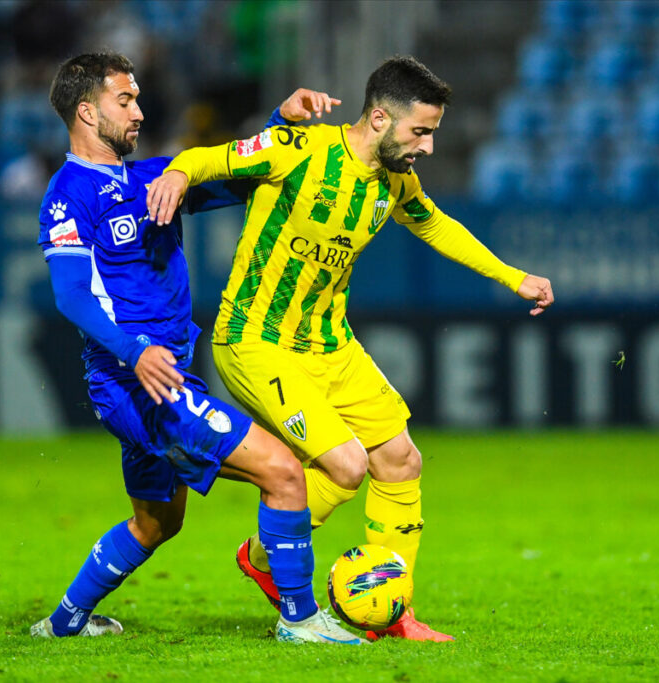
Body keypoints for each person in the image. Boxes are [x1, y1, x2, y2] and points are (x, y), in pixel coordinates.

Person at [147, 55, 555, 642]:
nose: (429, 147)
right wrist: (177, 176)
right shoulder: (298, 150)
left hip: (331, 344)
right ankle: (265, 557)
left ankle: (392, 610)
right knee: (345, 465)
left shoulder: (396, 181)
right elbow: (206, 157)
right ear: (382, 118)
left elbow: (436, 225)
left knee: (400, 461)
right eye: (422, 131)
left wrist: (510, 276)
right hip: (255, 340)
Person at [30, 51, 364, 645]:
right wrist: (134, 351)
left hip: (160, 376)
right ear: (86, 111)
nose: (138, 111)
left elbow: (246, 175)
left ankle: (63, 623)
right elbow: (73, 298)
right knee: (285, 473)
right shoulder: (67, 196)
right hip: (138, 382)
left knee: (156, 523)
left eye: (137, 98)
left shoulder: (153, 175)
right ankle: (300, 620)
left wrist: (280, 125)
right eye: (124, 100)